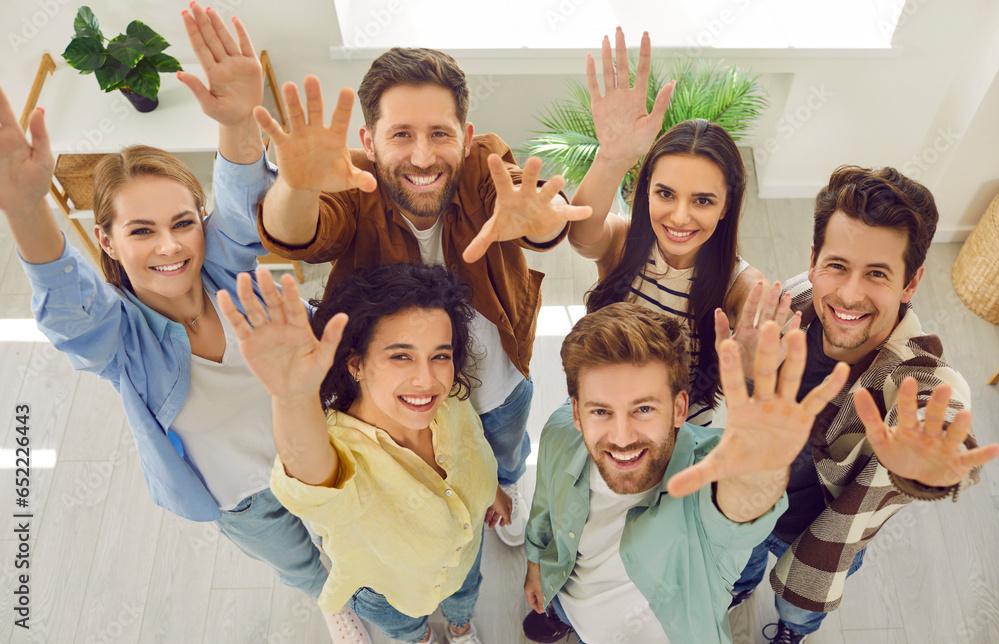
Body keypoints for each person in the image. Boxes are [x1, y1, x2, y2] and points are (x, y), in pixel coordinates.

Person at [0, 4, 369, 642]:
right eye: (140, 231)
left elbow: (236, 202)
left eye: (181, 223)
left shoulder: (226, 266)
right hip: (240, 494)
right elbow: (69, 311)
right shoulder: (121, 338)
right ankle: (331, 599)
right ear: (108, 243)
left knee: (356, 531)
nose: (170, 247)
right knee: (300, 562)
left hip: (323, 443)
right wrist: (29, 209)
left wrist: (236, 123)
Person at [247, 47, 591, 547]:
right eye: (401, 135)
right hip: (404, 392)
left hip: (496, 378)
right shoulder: (355, 179)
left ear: (466, 137)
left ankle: (508, 486)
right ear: (369, 140)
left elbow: (527, 202)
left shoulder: (483, 163)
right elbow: (304, 233)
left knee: (507, 451)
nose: (423, 156)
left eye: (440, 134)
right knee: (428, 474)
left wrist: (542, 217)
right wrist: (296, 187)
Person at [724, 165, 999, 643]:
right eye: (837, 266)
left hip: (820, 532)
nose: (849, 294)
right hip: (749, 500)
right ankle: (738, 590)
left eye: (877, 273)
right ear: (813, 260)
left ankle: (792, 630)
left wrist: (929, 468)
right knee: (738, 565)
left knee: (800, 604)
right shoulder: (794, 300)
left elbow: (944, 408)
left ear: (910, 284)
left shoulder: (915, 370)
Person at [218, 262, 510, 644]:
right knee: (407, 630)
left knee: (465, 592)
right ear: (356, 363)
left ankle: (460, 626)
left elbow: (476, 451)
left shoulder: (452, 402)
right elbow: (310, 476)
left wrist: (493, 491)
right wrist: (293, 396)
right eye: (401, 356)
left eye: (440, 355)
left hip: (465, 555)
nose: (428, 379)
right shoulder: (340, 455)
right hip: (386, 593)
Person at [521, 302, 849, 643]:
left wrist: (758, 468)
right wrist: (535, 563)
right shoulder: (560, 433)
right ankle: (565, 618)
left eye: (644, 408)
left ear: (679, 408)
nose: (622, 437)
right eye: (601, 411)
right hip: (572, 602)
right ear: (576, 413)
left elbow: (736, 510)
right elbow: (545, 503)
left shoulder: (709, 473)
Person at [568, 28, 796, 427]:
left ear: (727, 207)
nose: (678, 217)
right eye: (666, 194)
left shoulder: (739, 286)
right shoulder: (624, 243)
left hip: (682, 428)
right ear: (646, 191)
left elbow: (764, 374)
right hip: (605, 405)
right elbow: (581, 235)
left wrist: (750, 369)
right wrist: (612, 156)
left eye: (703, 201)